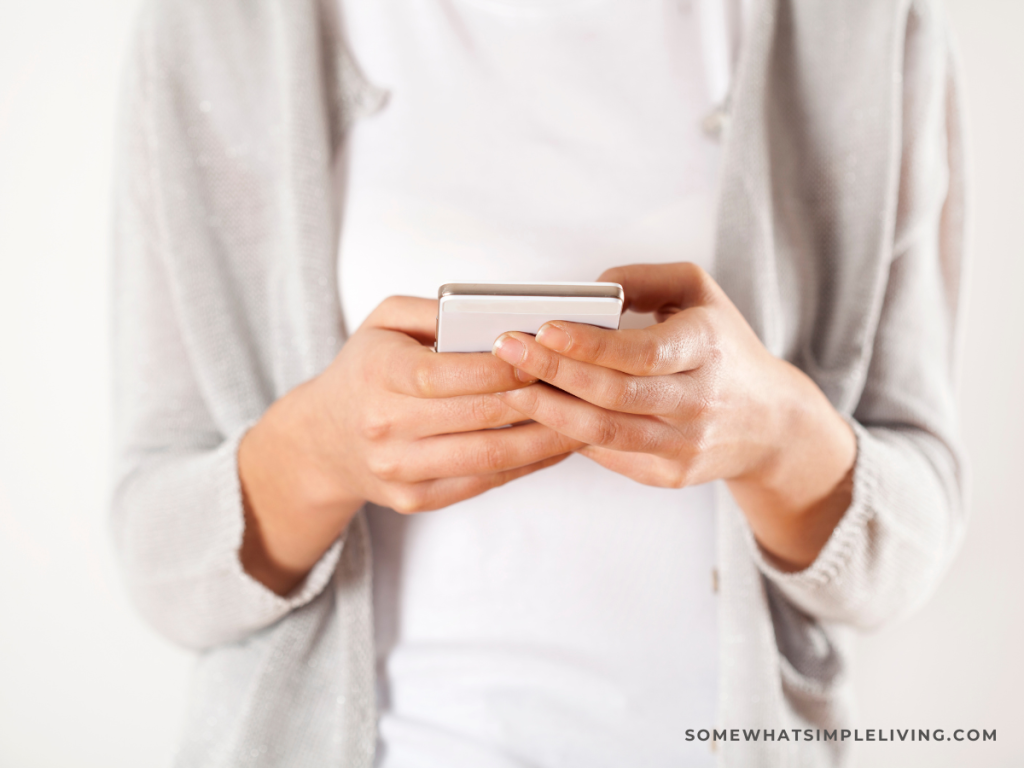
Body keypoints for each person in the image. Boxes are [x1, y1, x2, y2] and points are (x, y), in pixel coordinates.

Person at [111, 0, 968, 765]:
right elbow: (157, 560)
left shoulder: (867, 26)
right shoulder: (218, 30)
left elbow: (912, 543)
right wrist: (320, 455)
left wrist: (776, 433)